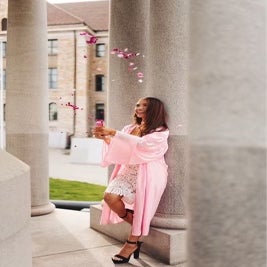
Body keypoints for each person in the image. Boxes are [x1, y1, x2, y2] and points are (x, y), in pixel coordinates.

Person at [92, 97, 169, 264]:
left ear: (154, 109)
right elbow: (121, 145)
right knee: (109, 197)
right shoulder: (130, 128)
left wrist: (113, 133)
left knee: (142, 205)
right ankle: (134, 221)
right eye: (137, 105)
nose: (139, 108)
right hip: (128, 171)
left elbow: (142, 145)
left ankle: (132, 243)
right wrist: (105, 138)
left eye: (144, 105)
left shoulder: (160, 132)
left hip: (149, 172)